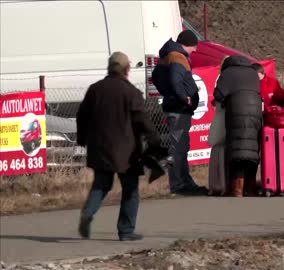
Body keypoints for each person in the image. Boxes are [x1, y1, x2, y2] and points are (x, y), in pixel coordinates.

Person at [76, 52, 162, 241]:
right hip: (127, 151)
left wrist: (82, 138)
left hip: (100, 148)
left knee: (101, 184)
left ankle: (88, 213)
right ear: (127, 69)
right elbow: (142, 120)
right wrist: (155, 141)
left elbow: (81, 116)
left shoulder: (95, 90)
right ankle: (126, 231)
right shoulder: (131, 92)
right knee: (130, 190)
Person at [154, 30, 208, 195]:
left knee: (181, 146)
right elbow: (176, 80)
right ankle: (178, 184)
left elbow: (157, 76)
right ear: (187, 44)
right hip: (178, 108)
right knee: (177, 147)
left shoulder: (170, 55)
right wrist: (184, 97)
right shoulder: (178, 57)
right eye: (194, 47)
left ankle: (184, 181)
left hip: (177, 107)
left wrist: (169, 94)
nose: (195, 50)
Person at [213, 56, 263, 197]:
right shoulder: (252, 72)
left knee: (236, 149)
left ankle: (237, 189)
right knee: (252, 148)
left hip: (236, 110)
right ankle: (250, 187)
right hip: (256, 111)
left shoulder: (228, 73)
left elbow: (218, 94)